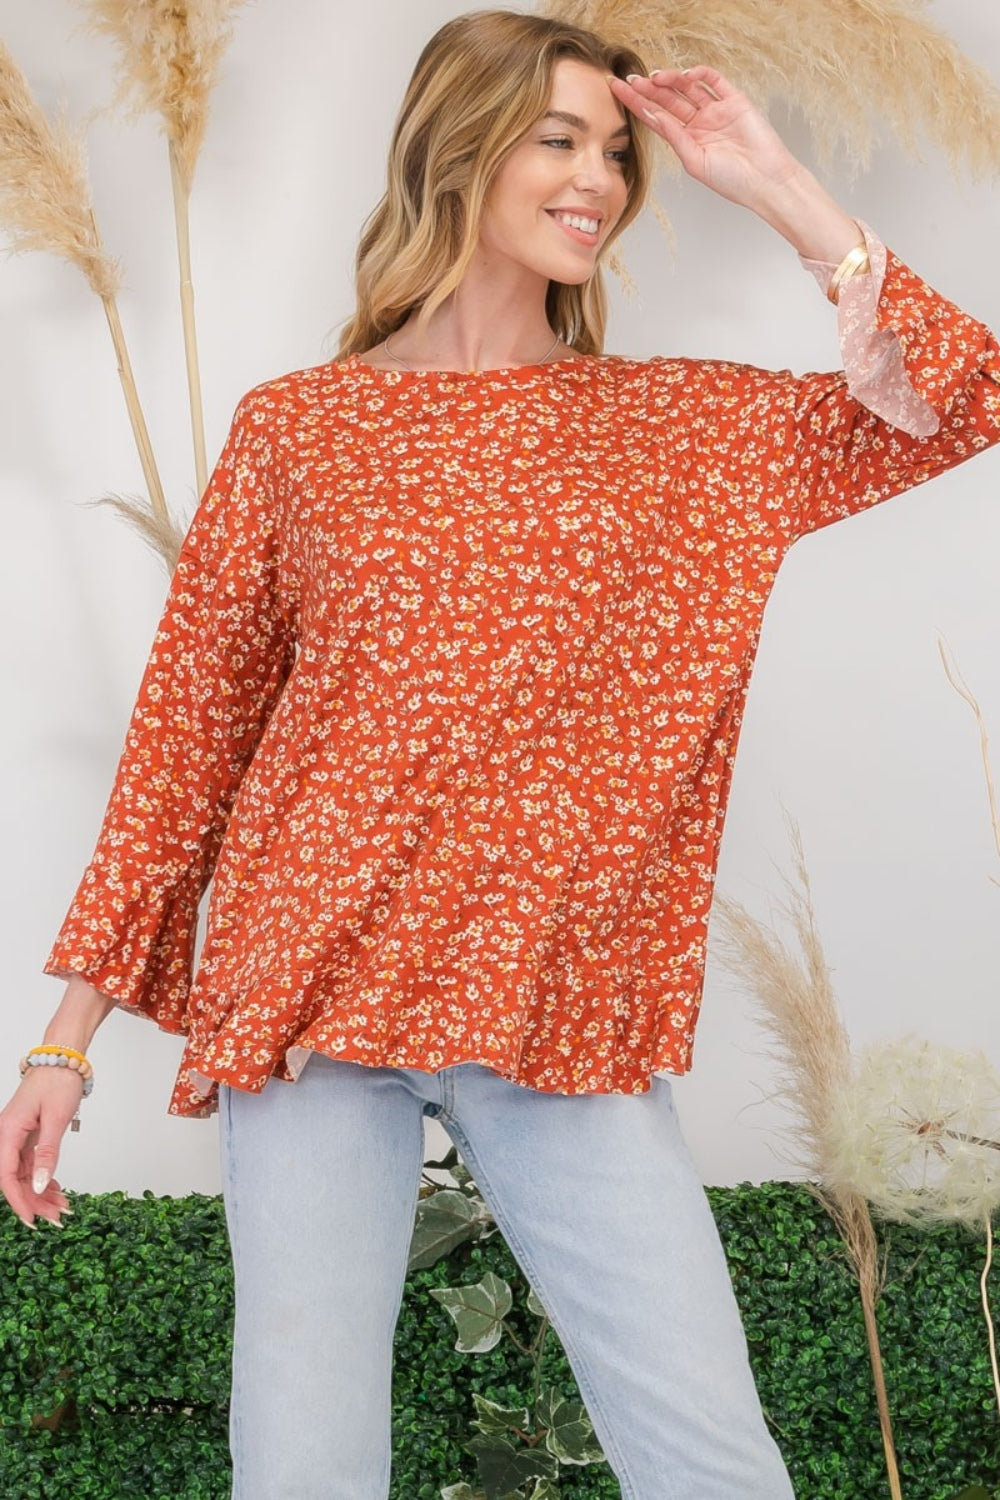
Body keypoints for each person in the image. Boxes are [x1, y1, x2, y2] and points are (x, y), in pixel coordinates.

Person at [2, 8, 998, 1498]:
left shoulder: (685, 428)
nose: (599, 177)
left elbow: (965, 398)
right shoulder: (302, 432)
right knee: (301, 1465)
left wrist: (775, 182)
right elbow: (188, 741)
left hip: (557, 1008)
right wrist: (64, 1038)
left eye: (617, 150)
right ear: (453, 150)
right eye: (557, 138)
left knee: (709, 1456)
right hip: (311, 1004)